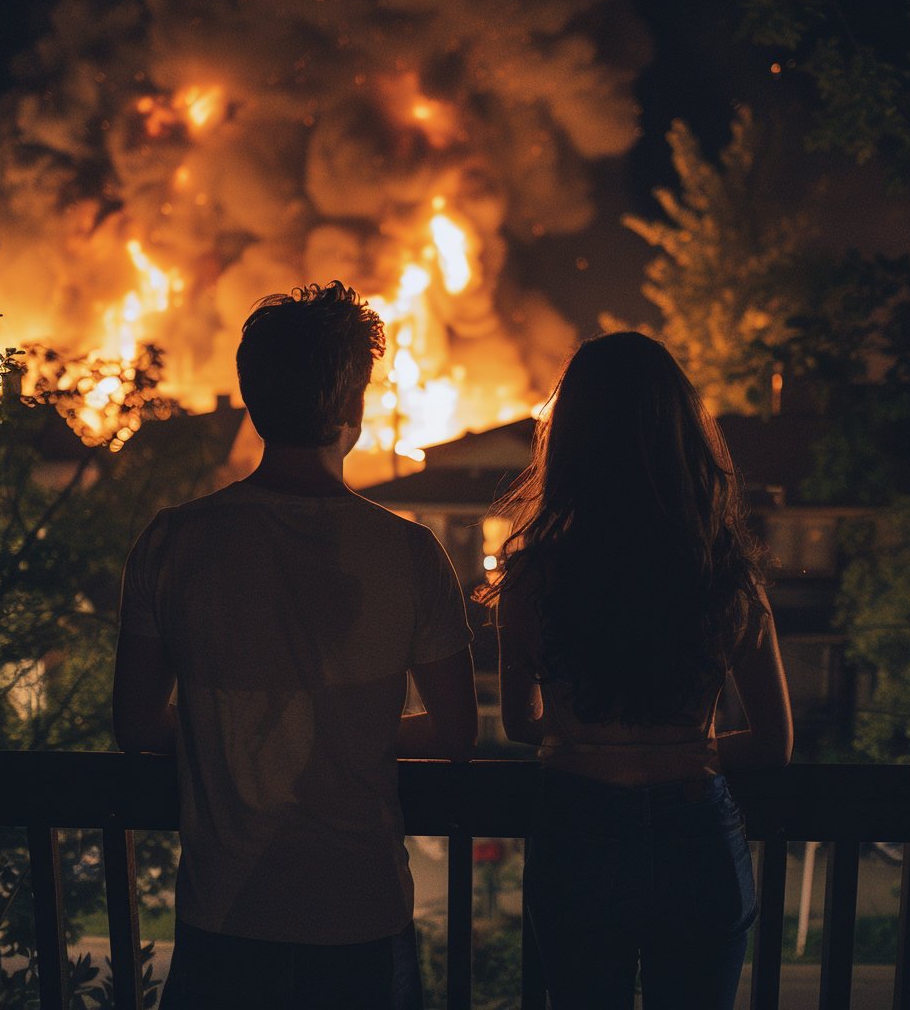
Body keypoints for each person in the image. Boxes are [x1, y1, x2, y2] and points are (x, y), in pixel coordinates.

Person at [113, 281, 478, 1010]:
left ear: (249, 397)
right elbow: (458, 730)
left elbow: (136, 724)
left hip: (225, 915)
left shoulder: (174, 543)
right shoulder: (408, 553)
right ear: (354, 408)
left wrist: (235, 728)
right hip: (361, 918)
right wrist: (354, 729)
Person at [478, 331, 792, 1010]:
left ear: (570, 442)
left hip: (580, 828)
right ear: (682, 433)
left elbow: (519, 723)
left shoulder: (534, 577)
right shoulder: (724, 571)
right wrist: (685, 745)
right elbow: (774, 742)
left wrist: (591, 737)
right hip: (697, 830)